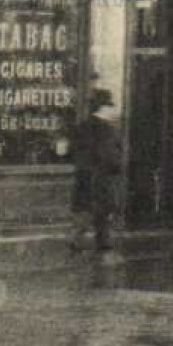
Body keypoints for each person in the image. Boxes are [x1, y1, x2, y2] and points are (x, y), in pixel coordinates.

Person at [72, 89, 124, 252]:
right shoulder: (107, 129)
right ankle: (102, 241)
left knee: (84, 209)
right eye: (109, 106)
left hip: (84, 175)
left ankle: (78, 239)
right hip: (101, 176)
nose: (111, 110)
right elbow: (108, 155)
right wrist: (117, 166)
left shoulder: (83, 125)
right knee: (103, 209)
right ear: (103, 108)